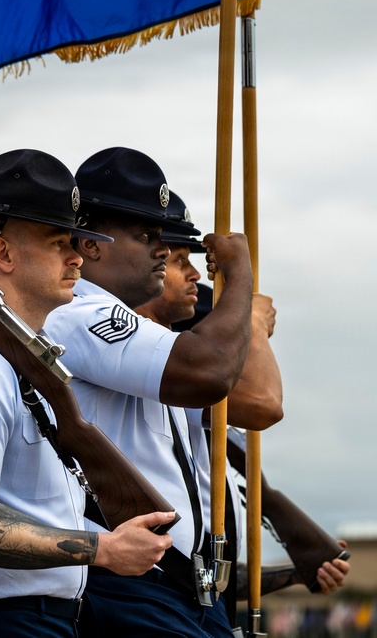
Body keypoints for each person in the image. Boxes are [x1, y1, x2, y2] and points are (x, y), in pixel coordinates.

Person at [0, 148, 175, 638]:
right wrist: (103, 550)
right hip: (0, 624)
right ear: (4, 253)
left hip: (44, 620)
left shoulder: (26, 362)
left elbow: (39, 512)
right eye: (58, 243)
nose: (77, 257)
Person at [43, 146, 256, 637]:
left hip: (178, 589)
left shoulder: (126, 325)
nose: (161, 249)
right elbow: (211, 372)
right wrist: (240, 276)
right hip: (134, 586)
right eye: (145, 236)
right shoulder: (78, 314)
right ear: (91, 244)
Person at [145, 194, 351, 616]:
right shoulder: (179, 387)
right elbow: (264, 404)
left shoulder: (226, 444)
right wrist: (252, 323)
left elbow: (212, 579)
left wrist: (293, 572)